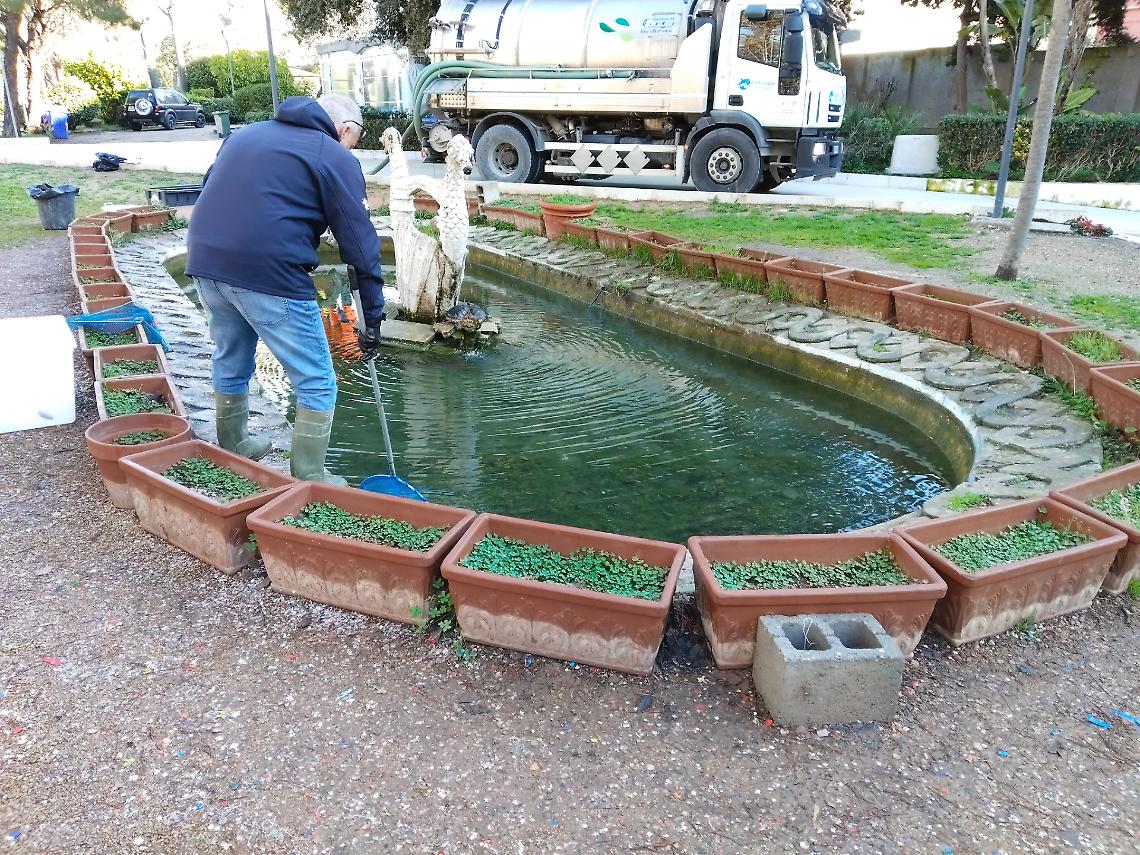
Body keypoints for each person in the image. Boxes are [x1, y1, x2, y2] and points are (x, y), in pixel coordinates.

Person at [186, 94, 384, 485]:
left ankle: (235, 443)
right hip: (268, 272)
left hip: (205, 261)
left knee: (231, 354)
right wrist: (373, 318)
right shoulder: (333, 154)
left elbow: (212, 188)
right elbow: (360, 245)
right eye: (354, 141)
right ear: (345, 130)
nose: (350, 149)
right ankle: (310, 477)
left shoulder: (245, 135)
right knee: (317, 379)